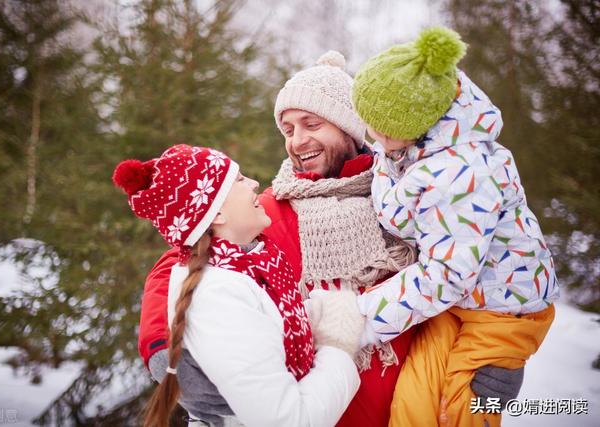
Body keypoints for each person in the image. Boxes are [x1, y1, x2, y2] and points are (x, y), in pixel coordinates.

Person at [137, 51, 526, 427]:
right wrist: (163, 348)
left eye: (311, 124)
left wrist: (503, 354)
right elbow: (179, 264)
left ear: (350, 126)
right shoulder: (269, 211)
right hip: (319, 409)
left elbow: (490, 263)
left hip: (417, 399)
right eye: (288, 130)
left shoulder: (410, 196)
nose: (297, 140)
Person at [312, 27, 560, 427]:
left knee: (454, 412)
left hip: (501, 311)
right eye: (369, 124)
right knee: (413, 404)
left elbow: (446, 276)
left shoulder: (463, 175)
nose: (375, 137)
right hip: (460, 303)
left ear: (419, 122)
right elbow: (398, 196)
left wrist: (359, 316)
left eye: (385, 130)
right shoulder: (408, 143)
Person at [113, 144, 364, 427]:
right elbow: (290, 421)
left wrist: (322, 310)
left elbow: (267, 327)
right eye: (240, 180)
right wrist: (338, 347)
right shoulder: (218, 297)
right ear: (216, 214)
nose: (255, 183)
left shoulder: (245, 266)